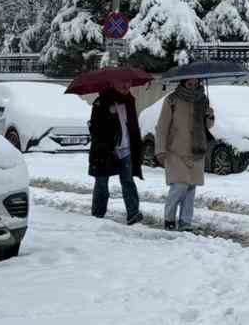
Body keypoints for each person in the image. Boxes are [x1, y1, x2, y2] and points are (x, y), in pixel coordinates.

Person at [153, 78, 214, 232]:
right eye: (189, 84)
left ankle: (186, 222)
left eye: (195, 83)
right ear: (183, 82)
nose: (193, 86)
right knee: (179, 186)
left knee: (191, 189)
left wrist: (210, 116)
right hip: (176, 150)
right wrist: (160, 150)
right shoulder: (172, 100)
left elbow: (207, 126)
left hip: (196, 149)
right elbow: (162, 127)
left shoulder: (203, 99)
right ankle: (169, 219)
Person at [88, 83, 144, 225]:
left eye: (128, 83)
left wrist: (137, 146)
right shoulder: (101, 102)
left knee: (128, 181)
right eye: (122, 84)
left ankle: (133, 213)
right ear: (114, 85)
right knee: (101, 183)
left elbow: (133, 126)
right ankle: (97, 214)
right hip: (105, 150)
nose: (126, 86)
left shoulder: (129, 101)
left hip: (126, 149)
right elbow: (95, 128)